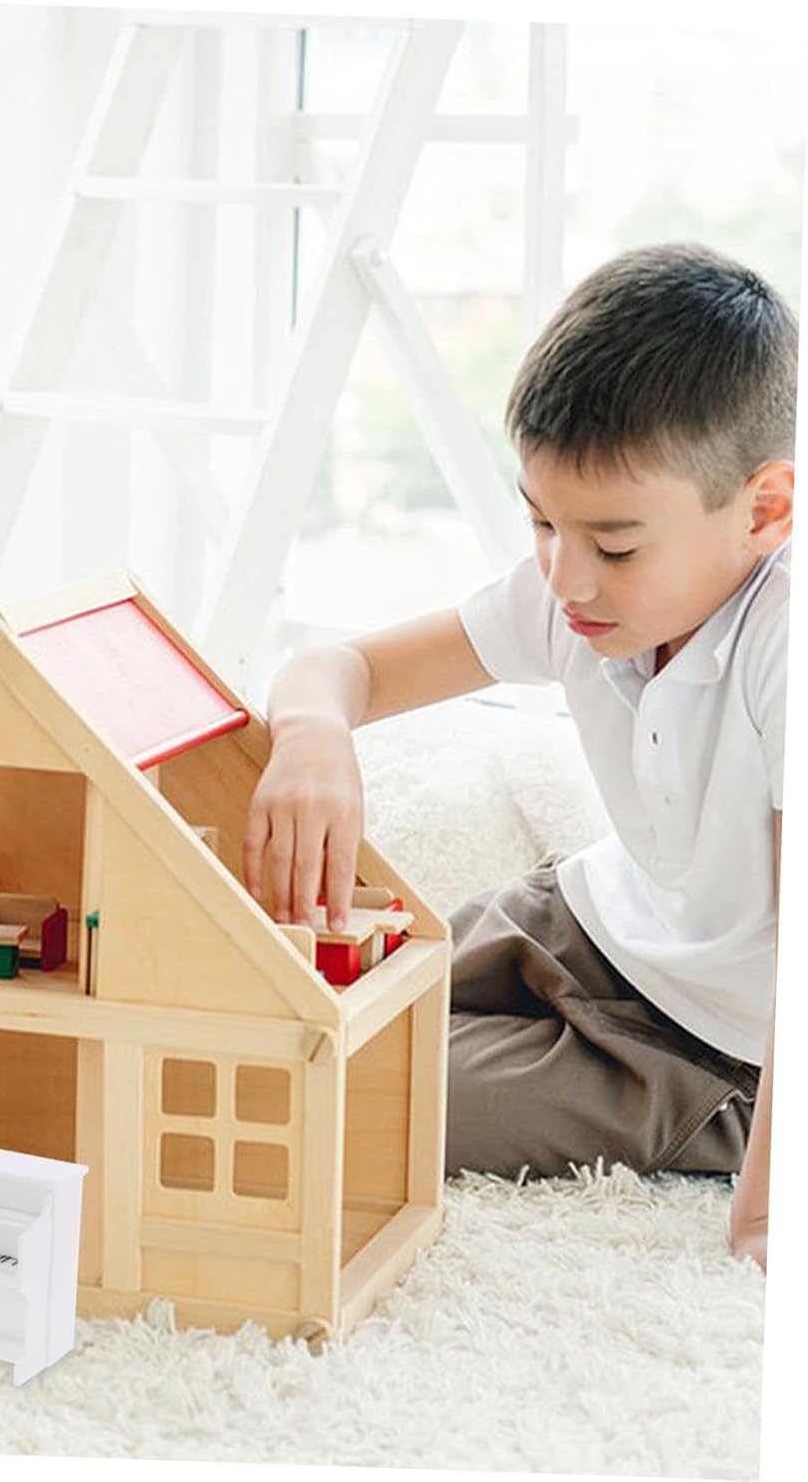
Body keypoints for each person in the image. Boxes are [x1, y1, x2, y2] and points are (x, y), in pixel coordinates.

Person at [243, 243, 792, 1271]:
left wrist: (766, 1217)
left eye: (614, 546)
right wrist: (314, 737)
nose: (566, 579)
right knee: (280, 994)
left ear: (762, 511)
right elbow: (337, 667)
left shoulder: (784, 641)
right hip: (582, 918)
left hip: (704, 1048)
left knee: (344, 1089)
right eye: (540, 521)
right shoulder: (572, 589)